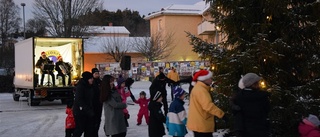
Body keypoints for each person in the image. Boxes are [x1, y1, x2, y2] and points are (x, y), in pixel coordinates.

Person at [186, 70, 226, 137]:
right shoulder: (201, 90)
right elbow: (208, 106)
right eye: (210, 78)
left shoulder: (199, 88)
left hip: (199, 123)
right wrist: (221, 114)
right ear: (204, 79)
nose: (211, 79)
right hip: (202, 124)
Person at [232, 73, 270, 137]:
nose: (259, 84)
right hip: (260, 129)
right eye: (257, 83)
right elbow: (267, 110)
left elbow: (237, 114)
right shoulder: (262, 96)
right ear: (253, 84)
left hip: (244, 130)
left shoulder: (238, 97)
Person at [73, 71, 95, 137]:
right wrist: (87, 110)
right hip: (80, 112)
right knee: (80, 129)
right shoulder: (81, 86)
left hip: (88, 111)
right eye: (90, 78)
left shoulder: (90, 86)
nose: (92, 80)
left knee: (88, 129)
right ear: (87, 79)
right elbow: (79, 100)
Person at [91, 68, 102, 137]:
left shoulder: (100, 82)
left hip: (99, 103)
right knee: (93, 120)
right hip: (93, 104)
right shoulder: (91, 82)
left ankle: (96, 133)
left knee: (98, 119)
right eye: (95, 74)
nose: (97, 75)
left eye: (98, 73)